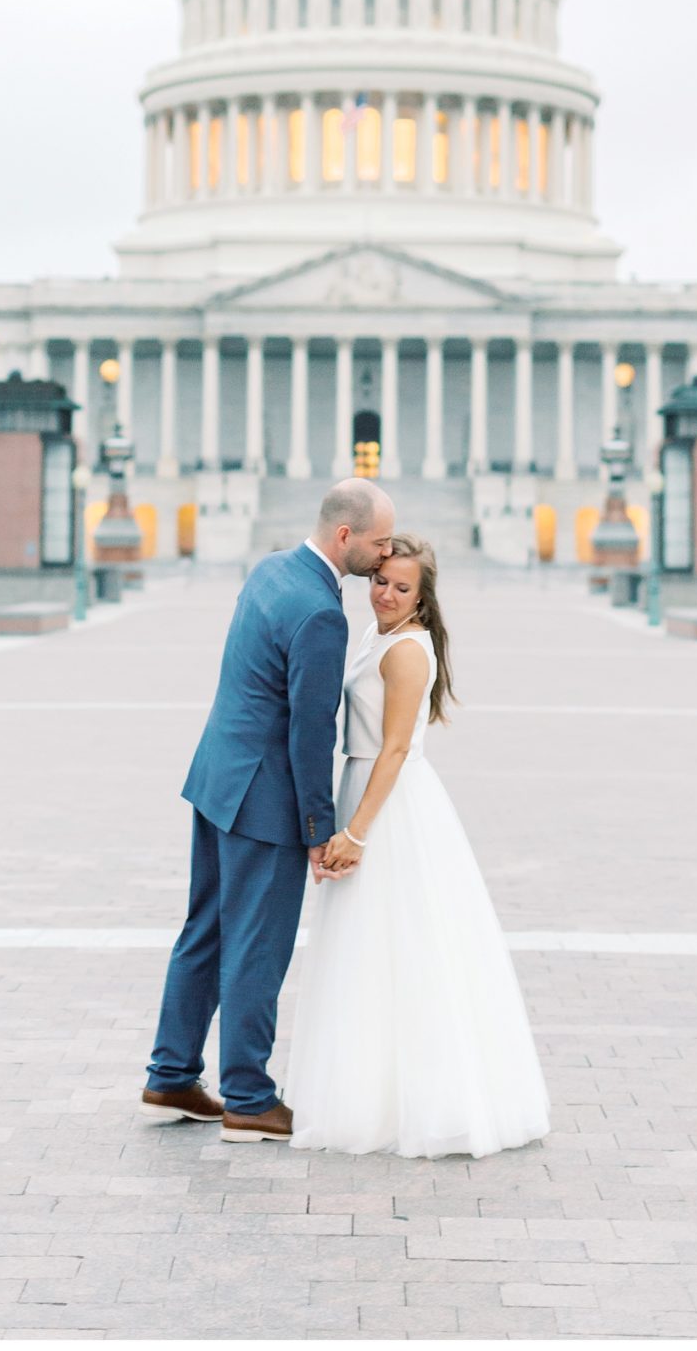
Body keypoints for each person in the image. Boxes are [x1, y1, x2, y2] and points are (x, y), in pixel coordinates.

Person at [140, 478, 395, 1143]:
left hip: (218, 778)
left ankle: (169, 1077)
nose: (386, 552)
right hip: (262, 799)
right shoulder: (320, 612)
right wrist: (319, 827)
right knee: (256, 945)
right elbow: (311, 729)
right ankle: (248, 1097)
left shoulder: (270, 571)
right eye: (379, 541)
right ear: (345, 536)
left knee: (205, 932)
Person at [285, 534, 550, 1157]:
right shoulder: (378, 638)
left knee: (402, 944)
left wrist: (355, 831)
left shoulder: (406, 651)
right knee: (367, 951)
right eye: (380, 582)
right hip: (364, 784)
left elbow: (398, 748)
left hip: (388, 802)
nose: (386, 594)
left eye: (402, 588)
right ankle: (367, 1092)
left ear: (423, 599)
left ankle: (422, 1101)